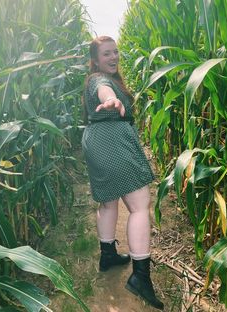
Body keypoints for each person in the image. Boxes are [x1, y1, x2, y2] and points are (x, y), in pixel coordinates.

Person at [82, 36, 164, 310]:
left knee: (108, 203)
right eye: (106, 54)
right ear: (95, 60)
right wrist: (113, 101)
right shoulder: (99, 80)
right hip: (112, 143)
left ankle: (107, 255)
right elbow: (105, 90)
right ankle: (140, 277)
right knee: (140, 205)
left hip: (97, 142)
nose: (114, 57)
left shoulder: (98, 79)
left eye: (115, 52)